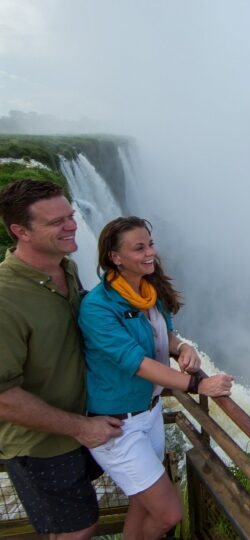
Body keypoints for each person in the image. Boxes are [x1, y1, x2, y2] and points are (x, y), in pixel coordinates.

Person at [78, 216, 234, 540]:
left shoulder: (149, 292)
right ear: (114, 257)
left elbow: (166, 336)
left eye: (150, 243)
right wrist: (198, 385)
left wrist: (183, 346)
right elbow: (138, 363)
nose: (150, 252)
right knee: (168, 514)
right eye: (139, 247)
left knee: (142, 503)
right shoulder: (98, 307)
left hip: (149, 413)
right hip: (117, 424)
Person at [0, 179, 124, 540]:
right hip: (41, 443)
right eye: (57, 222)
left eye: (70, 215)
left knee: (72, 524)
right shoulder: (6, 297)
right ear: (20, 231)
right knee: (76, 530)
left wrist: (172, 342)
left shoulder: (63, 267)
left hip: (80, 425)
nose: (72, 225)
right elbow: (4, 397)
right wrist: (80, 427)